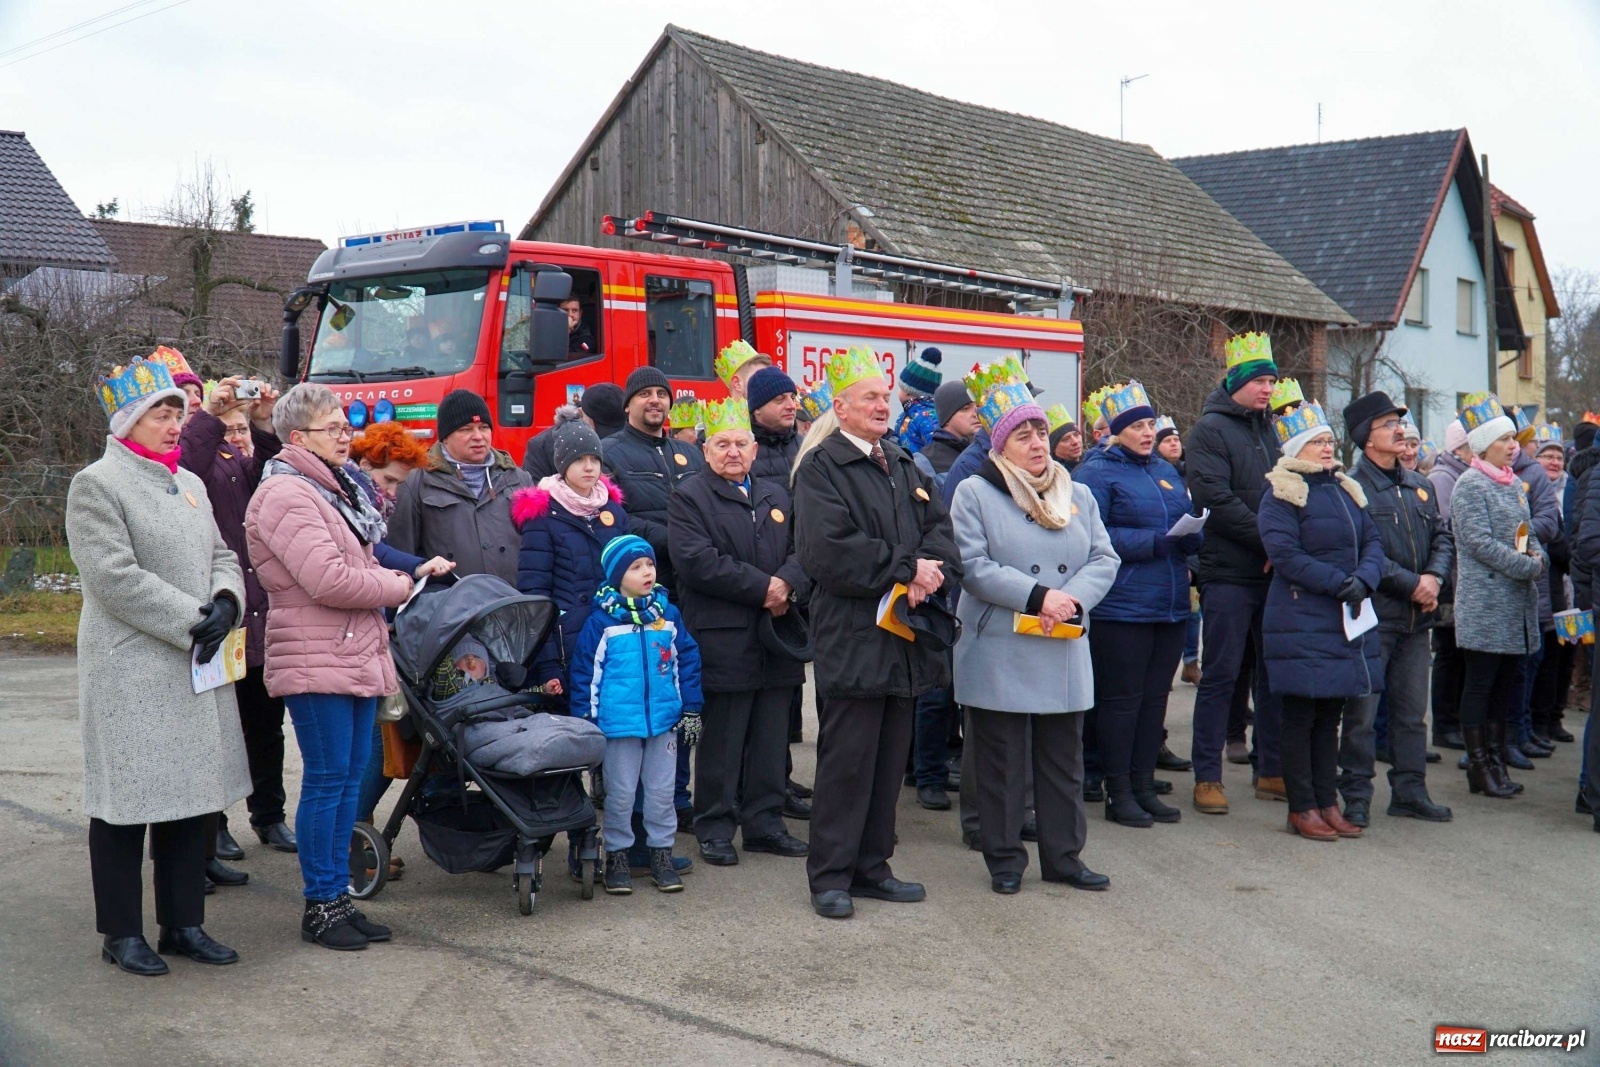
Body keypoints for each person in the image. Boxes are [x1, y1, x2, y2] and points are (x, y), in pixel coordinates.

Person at [68, 355, 252, 975]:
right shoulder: (97, 484)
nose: (174, 424)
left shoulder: (191, 485)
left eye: (177, 413)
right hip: (132, 670)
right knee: (125, 805)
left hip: (194, 665)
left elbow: (226, 553)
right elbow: (114, 578)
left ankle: (183, 924)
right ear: (129, 423)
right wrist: (193, 618)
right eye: (160, 414)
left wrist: (227, 602)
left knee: (191, 798)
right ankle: (120, 932)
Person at [246, 383, 415, 950]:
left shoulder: (336, 488)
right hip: (316, 655)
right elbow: (329, 580)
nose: (346, 435)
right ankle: (320, 905)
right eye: (333, 428)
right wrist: (399, 586)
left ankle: (339, 898)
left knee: (347, 782)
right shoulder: (286, 494)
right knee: (326, 783)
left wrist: (387, 584)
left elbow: (355, 565)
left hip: (351, 649)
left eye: (346, 425)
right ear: (299, 438)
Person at [793, 346, 960, 918]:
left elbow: (940, 531)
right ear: (839, 408)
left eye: (885, 396)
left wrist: (928, 572)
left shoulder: (905, 463)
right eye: (870, 397)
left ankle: (871, 867)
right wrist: (905, 568)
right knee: (847, 765)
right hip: (854, 637)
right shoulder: (820, 469)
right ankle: (830, 877)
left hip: (904, 639)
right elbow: (827, 551)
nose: (882, 405)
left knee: (889, 764)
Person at [949, 356, 1118, 891]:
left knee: (1062, 762)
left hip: (1061, 639)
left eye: (1041, 431)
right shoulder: (976, 492)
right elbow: (974, 567)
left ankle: (1065, 857)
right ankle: (1004, 861)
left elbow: (1104, 559)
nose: (1038, 443)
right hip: (1001, 641)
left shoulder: (1079, 494)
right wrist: (1039, 596)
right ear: (1000, 446)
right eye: (1023, 435)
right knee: (1001, 764)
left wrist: (1067, 602)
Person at [669, 398, 811, 865]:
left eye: (742, 444)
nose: (734, 452)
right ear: (706, 450)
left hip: (777, 635)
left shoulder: (776, 494)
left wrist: (787, 583)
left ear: (754, 450)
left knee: (772, 738)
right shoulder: (690, 496)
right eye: (723, 444)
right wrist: (764, 588)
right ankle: (715, 826)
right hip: (723, 636)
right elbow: (697, 562)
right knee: (724, 740)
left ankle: (765, 824)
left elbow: (802, 548)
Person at [178, 376, 299, 872]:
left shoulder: (235, 463)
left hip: (258, 615)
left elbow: (272, 473)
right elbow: (187, 464)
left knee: (266, 725)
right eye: (224, 427)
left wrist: (265, 420)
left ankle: (268, 815)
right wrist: (209, 416)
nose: (235, 434)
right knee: (219, 730)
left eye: (238, 428)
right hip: (219, 612)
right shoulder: (190, 462)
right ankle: (215, 827)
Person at [1257, 400, 1384, 841]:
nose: (1327, 448)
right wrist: (1339, 583)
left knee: (1330, 712)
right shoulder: (1281, 492)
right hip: (1302, 615)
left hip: (1344, 616)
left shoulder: (1346, 488)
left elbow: (1373, 540)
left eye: (1329, 440)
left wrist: (1364, 579)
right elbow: (1285, 555)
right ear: (1297, 447)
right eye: (1317, 441)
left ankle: (1327, 802)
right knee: (1301, 714)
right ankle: (1301, 806)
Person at [1074, 382, 1199, 829]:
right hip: (1122, 606)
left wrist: (1194, 534)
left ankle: (1144, 785)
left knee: (1154, 702)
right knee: (1121, 702)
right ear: (1118, 430)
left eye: (1151, 424)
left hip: (1168, 605)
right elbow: (1091, 534)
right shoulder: (1097, 472)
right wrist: (1153, 542)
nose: (1148, 432)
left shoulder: (1163, 471)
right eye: (1139, 426)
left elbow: (1180, 518)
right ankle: (1118, 791)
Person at [1339, 392, 1455, 826]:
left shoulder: (1419, 486)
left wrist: (1435, 579)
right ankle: (1354, 794)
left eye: (1399, 424)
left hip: (1416, 620)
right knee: (1361, 716)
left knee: (1410, 715)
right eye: (1389, 425)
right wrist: (1413, 585)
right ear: (1367, 439)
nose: (1400, 431)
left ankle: (1410, 791)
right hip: (1375, 619)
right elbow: (1361, 551)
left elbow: (1443, 538)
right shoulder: (1352, 487)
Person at [1184, 332, 1284, 814]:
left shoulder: (1270, 430)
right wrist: (1269, 540)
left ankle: (1271, 768)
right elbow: (1213, 499)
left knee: (1272, 673)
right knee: (1221, 675)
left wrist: (1283, 544)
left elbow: (1286, 491)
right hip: (1228, 573)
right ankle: (1207, 776)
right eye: (1261, 380)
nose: (1269, 388)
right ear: (1237, 382)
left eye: (1272, 380)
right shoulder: (1209, 430)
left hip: (1271, 573)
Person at [568, 536, 703, 893]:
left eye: (650, 565)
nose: (646, 572)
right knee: (621, 794)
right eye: (635, 567)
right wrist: (588, 720)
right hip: (617, 727)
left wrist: (691, 707)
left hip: (663, 723)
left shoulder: (667, 615)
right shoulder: (602, 622)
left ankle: (660, 854)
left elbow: (686, 661)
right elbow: (586, 673)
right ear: (616, 576)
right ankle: (617, 856)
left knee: (661, 793)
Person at [603, 367, 706, 825]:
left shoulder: (689, 453)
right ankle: (630, 810)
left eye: (662, 394)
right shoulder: (610, 453)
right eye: (644, 394)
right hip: (639, 598)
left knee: (676, 698)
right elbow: (616, 520)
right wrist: (679, 539)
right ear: (628, 404)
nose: (655, 402)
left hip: (690, 592)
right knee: (639, 703)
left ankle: (675, 800)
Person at [1450, 393, 1545, 800]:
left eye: (1514, 440)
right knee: (1480, 685)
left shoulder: (1514, 486)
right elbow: (1478, 542)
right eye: (1505, 439)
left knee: (1504, 686)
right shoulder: (1470, 485)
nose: (1513, 446)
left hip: (1515, 604)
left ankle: (1497, 761)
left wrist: (1537, 553)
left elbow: (1528, 532)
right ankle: (1479, 766)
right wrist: (1527, 565)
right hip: (1486, 604)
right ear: (1484, 445)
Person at [511, 410, 629, 698]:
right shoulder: (542, 515)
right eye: (578, 460)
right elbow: (535, 595)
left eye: (594, 459)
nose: (588, 467)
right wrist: (548, 663)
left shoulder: (612, 510)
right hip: (568, 644)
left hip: (615, 636)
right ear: (562, 465)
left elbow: (630, 573)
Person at [389, 390, 531, 586]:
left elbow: (536, 550)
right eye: (466, 429)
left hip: (511, 604)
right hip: (448, 609)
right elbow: (401, 554)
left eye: (483, 427)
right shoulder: (416, 482)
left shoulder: (518, 478)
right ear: (445, 437)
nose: (478, 436)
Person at [1428, 420, 1473, 752]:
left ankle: (1453, 721)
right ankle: (1444, 725)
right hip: (1449, 583)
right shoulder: (1443, 478)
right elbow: (1445, 527)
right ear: (1459, 448)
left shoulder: (1463, 475)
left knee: (1459, 654)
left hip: (1461, 581)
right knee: (1448, 653)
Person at [522, 383, 628, 481]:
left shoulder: (633, 438)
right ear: (580, 414)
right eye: (601, 427)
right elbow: (533, 493)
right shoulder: (542, 446)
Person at [915, 380, 981, 488]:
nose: (976, 414)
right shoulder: (926, 462)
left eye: (977, 406)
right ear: (947, 417)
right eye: (966, 409)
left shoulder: (988, 453)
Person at [892, 346, 944, 453]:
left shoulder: (928, 418)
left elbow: (937, 450)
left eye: (901, 387)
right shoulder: (906, 415)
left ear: (907, 390)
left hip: (921, 469)